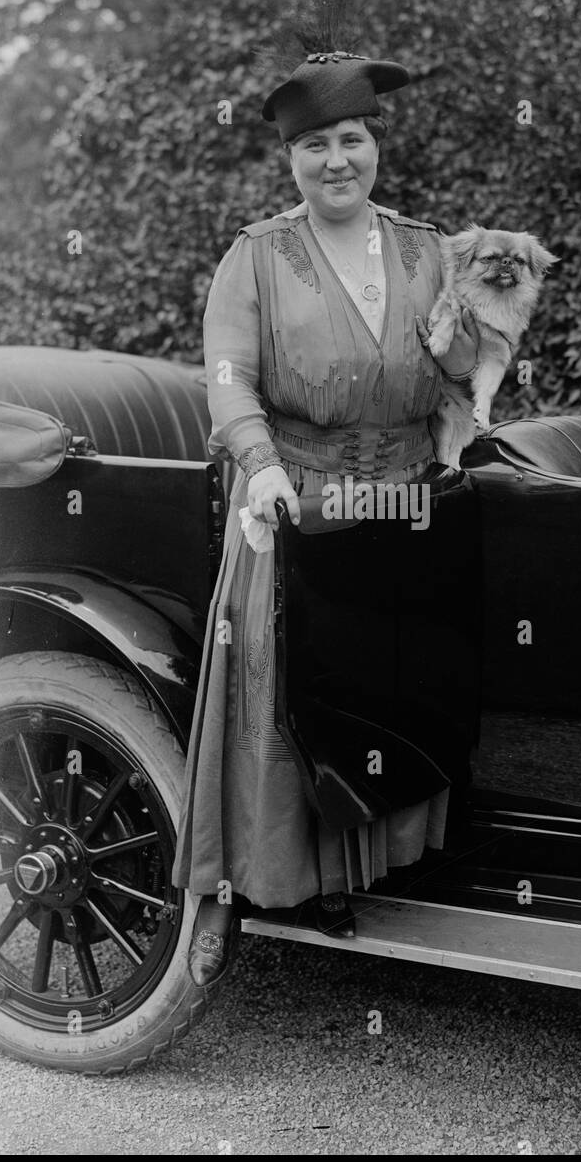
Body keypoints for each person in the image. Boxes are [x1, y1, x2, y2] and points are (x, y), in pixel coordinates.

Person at [173, 48, 479, 985]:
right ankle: (271, 883)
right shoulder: (257, 256)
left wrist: (461, 368)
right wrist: (257, 465)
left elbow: (471, 369)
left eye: (352, 138)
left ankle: (370, 869)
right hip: (296, 506)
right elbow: (229, 378)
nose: (336, 160)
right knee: (297, 687)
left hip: (403, 503)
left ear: (375, 143)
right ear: (290, 158)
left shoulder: (431, 249)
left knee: (383, 685)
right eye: (315, 145)